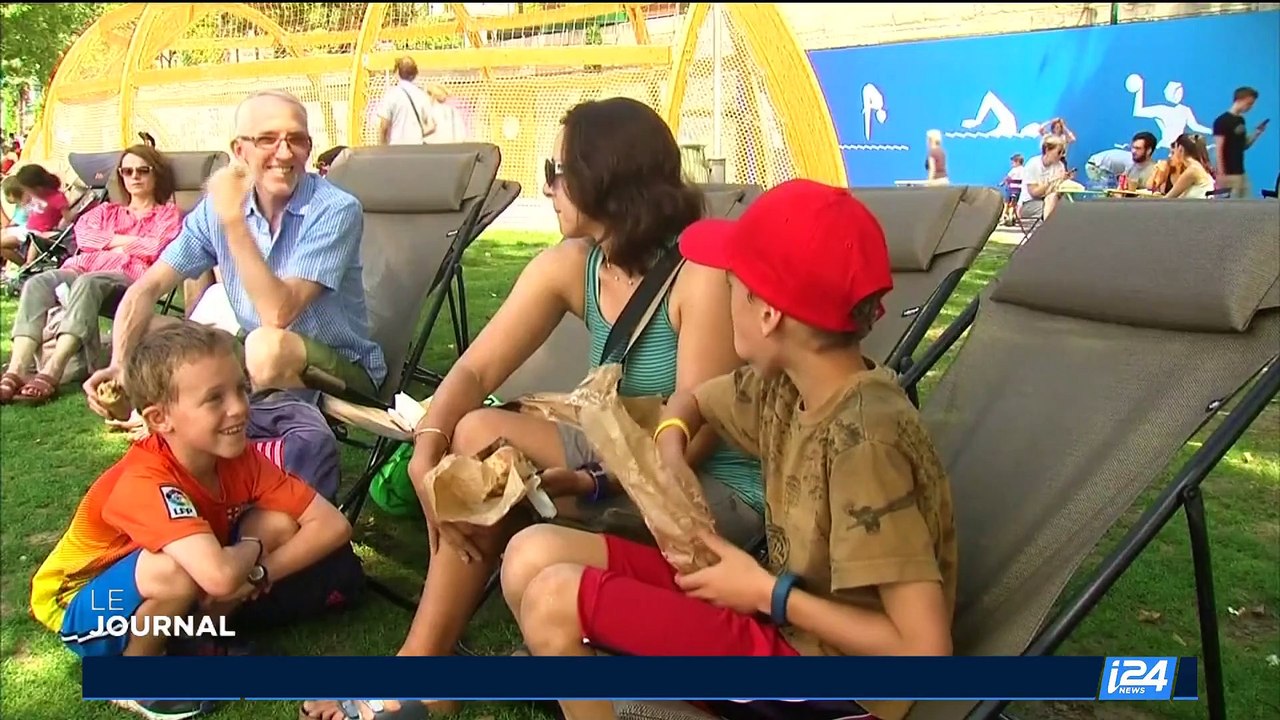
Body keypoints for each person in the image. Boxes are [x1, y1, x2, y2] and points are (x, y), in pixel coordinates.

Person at [300, 96, 763, 720]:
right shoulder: (575, 265)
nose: (550, 187)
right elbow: (475, 367)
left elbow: (695, 438)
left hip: (709, 497)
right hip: (621, 472)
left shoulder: (698, 275)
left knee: (486, 435)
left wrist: (575, 479)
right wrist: (427, 452)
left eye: (559, 170)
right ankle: (426, 682)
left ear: (604, 177)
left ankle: (420, 678)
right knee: (475, 446)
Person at [498, 179, 956, 720]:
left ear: (769, 315)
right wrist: (669, 453)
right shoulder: (787, 385)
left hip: (844, 687)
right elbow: (693, 403)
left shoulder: (865, 444)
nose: (720, 297)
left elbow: (925, 652)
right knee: (531, 553)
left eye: (732, 284)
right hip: (782, 617)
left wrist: (767, 594)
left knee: (555, 600)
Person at [29, 321, 352, 720]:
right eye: (215, 398)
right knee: (178, 572)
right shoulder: (144, 479)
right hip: (80, 602)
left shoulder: (239, 457)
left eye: (241, 388)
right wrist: (251, 553)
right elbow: (218, 578)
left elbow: (333, 525)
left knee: (278, 522)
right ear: (161, 419)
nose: (239, 407)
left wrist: (256, 571)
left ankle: (200, 642)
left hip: (178, 574)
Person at [83, 89, 385, 416]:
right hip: (252, 353)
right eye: (267, 139)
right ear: (239, 150)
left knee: (266, 346)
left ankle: (254, 435)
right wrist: (119, 364)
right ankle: (172, 419)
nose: (284, 153)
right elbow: (148, 287)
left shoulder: (334, 209)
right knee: (148, 329)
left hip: (340, 367)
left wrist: (233, 221)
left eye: (297, 140)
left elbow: (278, 314)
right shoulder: (217, 207)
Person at [2, 146, 182, 405]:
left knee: (89, 283)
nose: (135, 176)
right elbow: (85, 238)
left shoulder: (167, 215)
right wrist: (130, 241)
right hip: (80, 268)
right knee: (37, 282)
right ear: (120, 176)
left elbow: (157, 247)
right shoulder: (106, 211)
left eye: (143, 170)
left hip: (128, 280)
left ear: (157, 175)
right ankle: (15, 371)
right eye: (127, 171)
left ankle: (51, 371)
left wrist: (108, 242)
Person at [1, 163, 71, 267]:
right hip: (27, 229)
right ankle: (25, 266)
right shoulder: (34, 196)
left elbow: (68, 219)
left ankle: (29, 265)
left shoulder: (57, 198)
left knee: (32, 242)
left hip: (39, 233)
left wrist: (57, 229)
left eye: (27, 189)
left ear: (37, 187)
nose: (26, 193)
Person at [1213, 86, 1268, 197]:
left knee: (1246, 205)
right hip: (1229, 174)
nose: (1250, 107)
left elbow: (1243, 146)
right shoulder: (1222, 121)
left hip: (1241, 173)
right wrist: (1221, 173)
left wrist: (1256, 133)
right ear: (1239, 100)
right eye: (1249, 104)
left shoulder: (1241, 120)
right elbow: (1219, 149)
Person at [376, 57, 435, 146]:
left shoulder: (391, 95)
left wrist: (382, 146)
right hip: (417, 147)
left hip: (397, 148)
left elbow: (384, 126)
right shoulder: (422, 95)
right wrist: (416, 135)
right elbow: (432, 126)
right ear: (415, 74)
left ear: (397, 73)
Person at [1018, 135, 1070, 220]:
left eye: (1063, 152)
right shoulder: (1033, 164)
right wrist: (1051, 181)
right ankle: (1050, 229)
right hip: (1029, 204)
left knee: (1055, 200)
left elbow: (1056, 191)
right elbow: (1034, 193)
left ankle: (1049, 227)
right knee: (1055, 207)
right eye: (1059, 152)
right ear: (1047, 150)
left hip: (1051, 200)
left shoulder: (1059, 165)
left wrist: (1064, 181)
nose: (1061, 155)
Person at [1164, 133, 1216, 199]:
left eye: (1175, 149)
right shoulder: (1198, 166)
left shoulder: (1192, 170)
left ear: (1180, 148)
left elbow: (1169, 197)